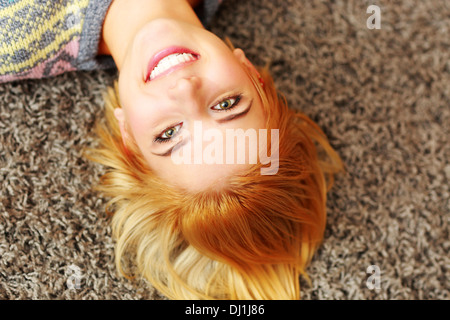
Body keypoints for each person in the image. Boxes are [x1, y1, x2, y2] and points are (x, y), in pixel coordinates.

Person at [1, 0, 343, 299]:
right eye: (227, 104)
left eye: (169, 133)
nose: (184, 89)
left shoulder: (11, 36)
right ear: (251, 73)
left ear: (129, 137)